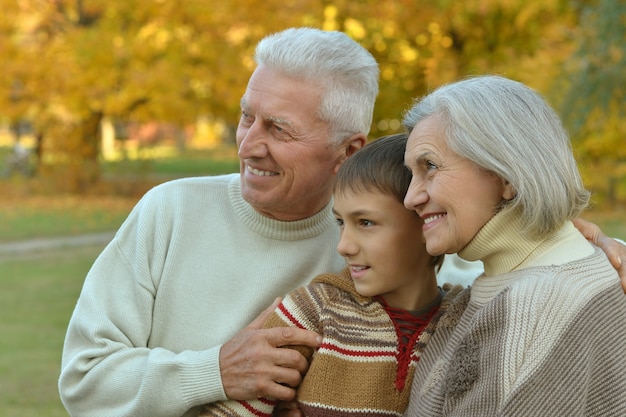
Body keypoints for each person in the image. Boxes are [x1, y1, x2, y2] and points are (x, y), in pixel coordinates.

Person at [58, 27, 626, 417]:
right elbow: (82, 380)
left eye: (278, 130)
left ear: (349, 148)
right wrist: (213, 371)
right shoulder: (169, 211)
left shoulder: (405, 227)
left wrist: (590, 244)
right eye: (245, 117)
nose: (248, 146)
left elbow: (508, 255)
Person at [402, 75, 626, 416]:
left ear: (506, 176)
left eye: (429, 166)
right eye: (411, 175)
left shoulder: (536, 307)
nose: (410, 198)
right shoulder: (504, 284)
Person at [199, 134, 464, 417]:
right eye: (340, 222)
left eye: (366, 222)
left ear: (427, 222)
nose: (344, 246)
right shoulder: (312, 312)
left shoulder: (465, 322)